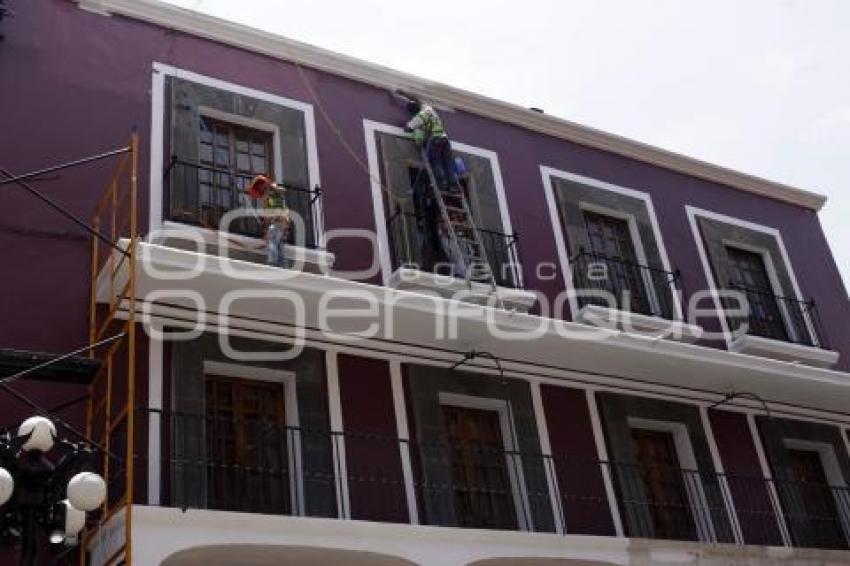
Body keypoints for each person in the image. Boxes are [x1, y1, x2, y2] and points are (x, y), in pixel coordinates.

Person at [404, 99, 460, 192]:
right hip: (445, 140)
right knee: (448, 164)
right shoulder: (430, 110)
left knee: (435, 163)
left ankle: (441, 184)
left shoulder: (422, 114)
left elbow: (411, 126)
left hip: (435, 140)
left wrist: (408, 127)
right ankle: (453, 185)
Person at [246, 175, 291, 268]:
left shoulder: (272, 193)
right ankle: (283, 265)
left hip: (279, 220)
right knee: (279, 243)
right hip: (282, 223)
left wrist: (272, 187)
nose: (259, 194)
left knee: (273, 241)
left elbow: (282, 190)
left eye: (258, 189)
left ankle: (273, 262)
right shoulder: (270, 197)